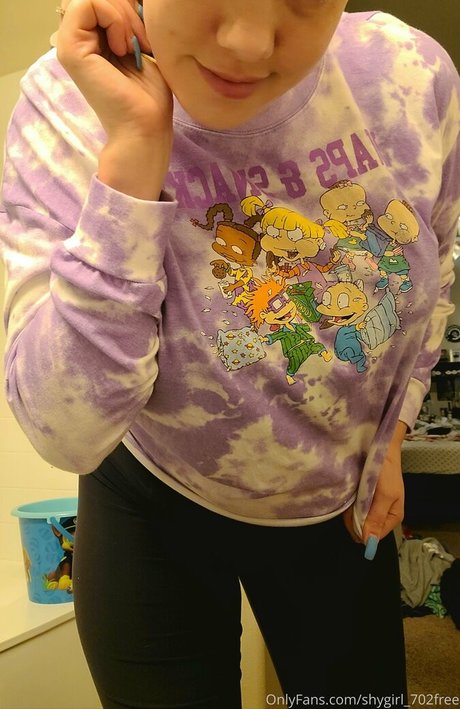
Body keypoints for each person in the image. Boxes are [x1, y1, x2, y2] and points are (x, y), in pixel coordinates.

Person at [1, 1, 459, 706]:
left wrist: (393, 430)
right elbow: (66, 430)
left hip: (334, 497)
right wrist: (132, 158)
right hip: (151, 496)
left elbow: (436, 268)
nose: (248, 44)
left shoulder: (410, 73)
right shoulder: (69, 101)